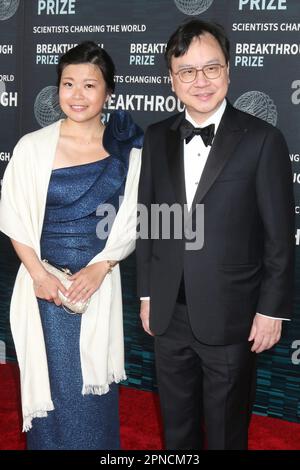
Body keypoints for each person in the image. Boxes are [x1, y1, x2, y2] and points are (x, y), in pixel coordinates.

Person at [136, 19, 295, 450]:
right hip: (168, 315)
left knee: (227, 433)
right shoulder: (155, 137)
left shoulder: (263, 140)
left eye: (211, 68)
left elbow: (280, 237)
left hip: (234, 317)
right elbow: (150, 220)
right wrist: (148, 296)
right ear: (172, 80)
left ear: (229, 71)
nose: (200, 81)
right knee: (176, 429)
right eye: (186, 71)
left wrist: (271, 310)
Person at [0, 41, 143, 450]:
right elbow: (13, 215)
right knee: (51, 389)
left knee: (92, 389)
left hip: (97, 286)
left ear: (108, 92)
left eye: (89, 85)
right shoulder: (32, 147)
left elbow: (134, 216)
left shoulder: (127, 151)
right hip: (43, 288)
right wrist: (38, 274)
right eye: (68, 84)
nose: (77, 95)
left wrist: (102, 268)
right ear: (57, 89)